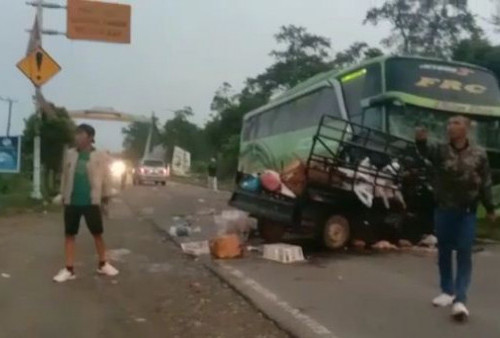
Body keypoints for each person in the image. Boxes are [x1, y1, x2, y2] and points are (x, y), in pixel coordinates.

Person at [415, 115, 496, 321]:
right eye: (449, 123)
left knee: (464, 250)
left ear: (466, 129)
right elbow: (424, 152)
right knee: (444, 249)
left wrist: (490, 208)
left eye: (456, 123)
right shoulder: (441, 150)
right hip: (444, 209)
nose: (451, 126)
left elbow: (485, 181)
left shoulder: (479, 154)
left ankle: (460, 299)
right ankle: (447, 291)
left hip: (467, 210)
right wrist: (420, 140)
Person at [53, 124, 119, 283]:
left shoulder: (100, 156)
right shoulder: (70, 154)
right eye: (76, 134)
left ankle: (103, 264)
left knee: (97, 233)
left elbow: (106, 177)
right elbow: (65, 176)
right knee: (69, 234)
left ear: (90, 138)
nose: (77, 137)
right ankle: (69, 269)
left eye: (81, 134)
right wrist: (63, 194)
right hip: (72, 201)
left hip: (91, 201)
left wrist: (106, 195)